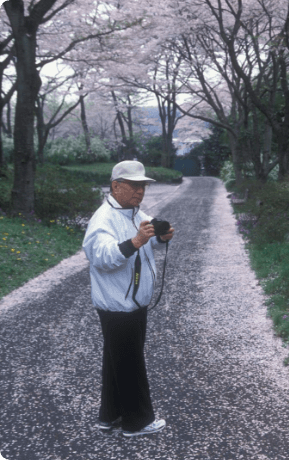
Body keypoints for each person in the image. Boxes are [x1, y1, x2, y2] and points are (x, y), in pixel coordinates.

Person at [82, 160, 174, 437]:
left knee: (116, 361)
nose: (140, 191)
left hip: (129, 303)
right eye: (134, 185)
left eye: (143, 185)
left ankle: (109, 416)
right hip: (119, 305)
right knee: (131, 363)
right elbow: (101, 257)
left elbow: (145, 239)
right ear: (116, 186)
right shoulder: (103, 219)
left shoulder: (134, 212)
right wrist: (134, 242)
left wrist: (161, 238)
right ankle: (137, 422)